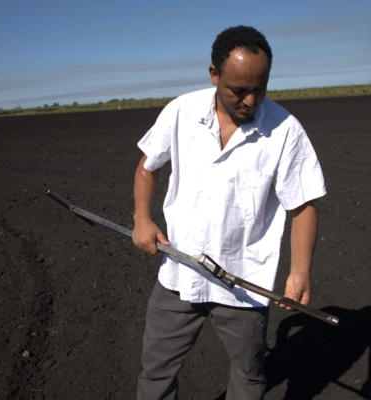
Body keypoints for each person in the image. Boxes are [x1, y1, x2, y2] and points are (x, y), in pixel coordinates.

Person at [132, 25, 326, 400]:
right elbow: (148, 166)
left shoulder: (285, 131)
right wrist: (142, 217)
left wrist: (300, 270)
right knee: (155, 374)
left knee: (250, 376)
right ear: (214, 75)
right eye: (239, 89)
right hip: (179, 274)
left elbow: (302, 206)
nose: (251, 100)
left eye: (260, 88)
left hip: (243, 285)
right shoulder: (182, 112)